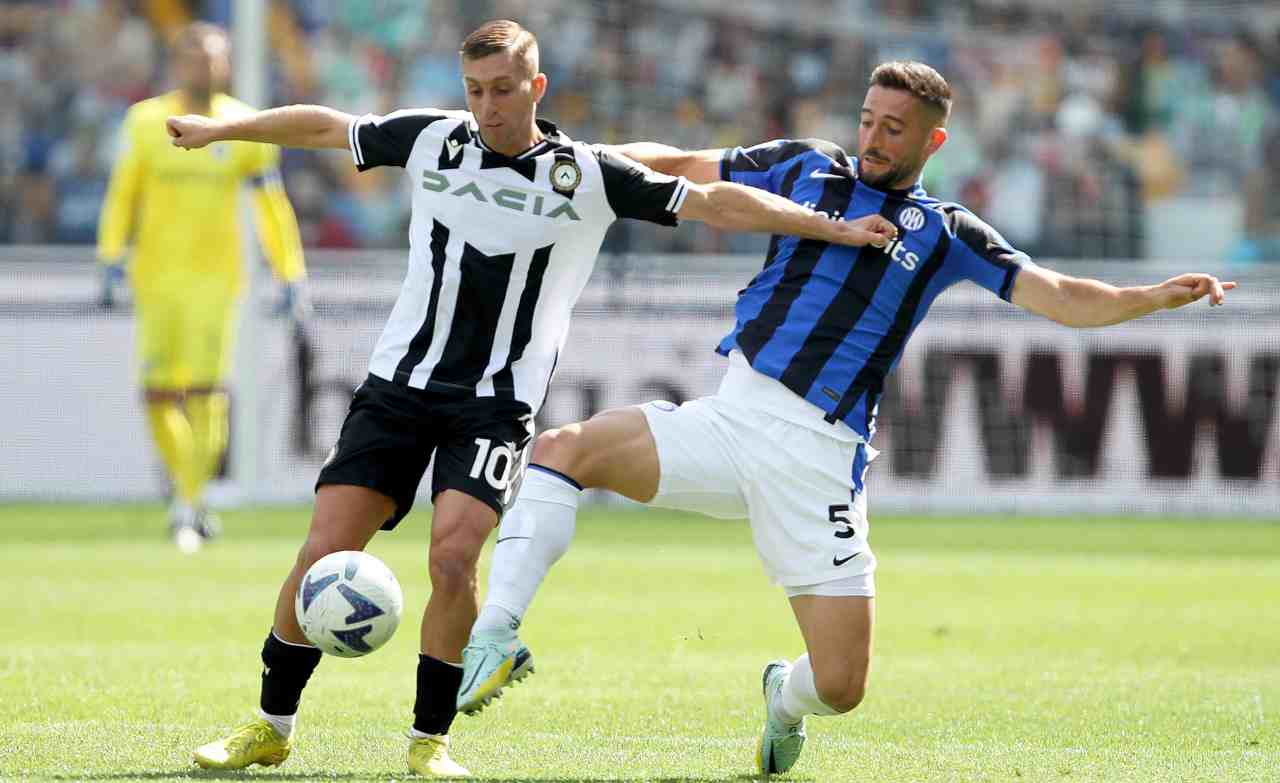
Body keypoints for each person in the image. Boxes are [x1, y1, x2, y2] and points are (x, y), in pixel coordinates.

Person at [455, 60, 1236, 776]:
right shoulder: (803, 166)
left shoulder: (947, 232)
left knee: (841, 686)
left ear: (933, 139)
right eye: (866, 119)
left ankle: (782, 697)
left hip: (821, 460)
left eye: (892, 129)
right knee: (561, 450)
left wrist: (1150, 298)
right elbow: (688, 165)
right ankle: (493, 637)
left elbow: (1058, 295)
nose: (872, 137)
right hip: (733, 419)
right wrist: (569, 155)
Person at [166, 20, 897, 777]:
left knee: (453, 557)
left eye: (504, 90)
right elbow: (327, 126)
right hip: (398, 388)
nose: (487, 106)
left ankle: (428, 742)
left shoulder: (587, 174)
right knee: (324, 549)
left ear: (536, 87)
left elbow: (715, 204)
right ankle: (270, 723)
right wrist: (226, 128)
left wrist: (831, 229)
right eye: (475, 91)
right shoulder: (432, 139)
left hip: (494, 406)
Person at [97, 22, 308, 553]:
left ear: (228, 63)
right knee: (157, 394)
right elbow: (124, 192)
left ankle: (189, 504)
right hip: (156, 278)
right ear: (177, 63)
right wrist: (110, 255)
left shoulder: (245, 126)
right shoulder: (145, 122)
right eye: (193, 57)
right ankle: (190, 497)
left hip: (217, 281)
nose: (204, 67)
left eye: (213, 57)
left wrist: (290, 271)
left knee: (207, 393)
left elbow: (271, 206)